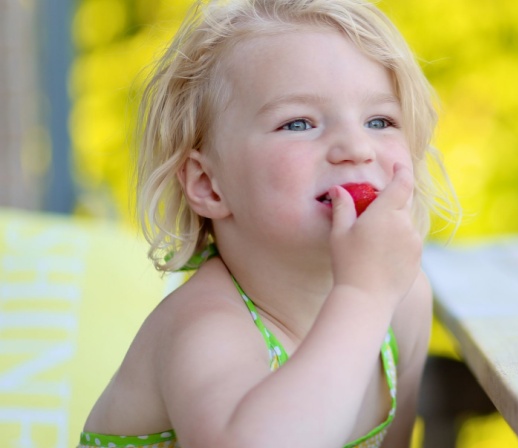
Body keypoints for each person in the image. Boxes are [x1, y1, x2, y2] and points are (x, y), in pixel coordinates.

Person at [78, 0, 459, 446]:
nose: (357, 147)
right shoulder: (202, 325)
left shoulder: (403, 303)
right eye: (298, 123)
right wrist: (363, 294)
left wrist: (373, 297)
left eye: (380, 120)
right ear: (209, 185)